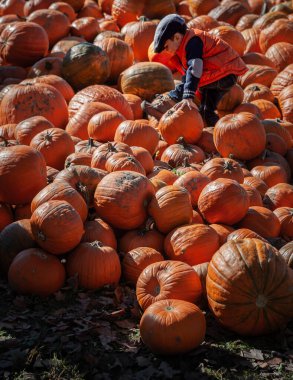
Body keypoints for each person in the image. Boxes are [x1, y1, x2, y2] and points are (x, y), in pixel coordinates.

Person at [142, 14, 248, 126]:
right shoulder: (184, 43)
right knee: (206, 111)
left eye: (166, 47)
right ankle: (219, 129)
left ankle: (162, 106)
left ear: (177, 37)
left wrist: (188, 95)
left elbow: (195, 67)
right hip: (221, 74)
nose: (166, 51)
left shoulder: (193, 42)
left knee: (186, 85)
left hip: (224, 73)